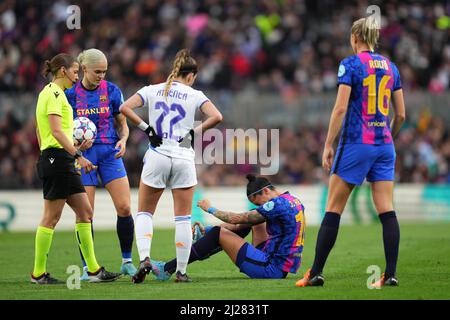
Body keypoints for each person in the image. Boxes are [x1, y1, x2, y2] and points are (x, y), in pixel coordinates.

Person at [296, 16, 405, 288]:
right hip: (384, 146)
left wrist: (328, 144)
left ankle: (316, 273)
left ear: (355, 38)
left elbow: (341, 108)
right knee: (387, 210)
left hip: (357, 143)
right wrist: (388, 134)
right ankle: (390, 274)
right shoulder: (392, 67)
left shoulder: (350, 64)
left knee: (333, 209)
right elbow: (401, 114)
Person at [119, 49, 223, 283]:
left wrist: (147, 129)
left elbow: (124, 108)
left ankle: (145, 258)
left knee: (145, 212)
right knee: (183, 218)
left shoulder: (152, 90)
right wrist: (192, 134)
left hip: (157, 155)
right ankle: (182, 272)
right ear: (192, 75)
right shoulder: (195, 94)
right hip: (184, 157)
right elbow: (217, 116)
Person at [32, 53, 121, 284]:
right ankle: (38, 274)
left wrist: (72, 148)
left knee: (85, 212)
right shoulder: (52, 93)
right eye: (73, 71)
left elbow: (42, 131)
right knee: (51, 217)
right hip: (57, 160)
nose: (75, 75)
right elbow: (56, 131)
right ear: (62, 70)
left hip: (61, 157)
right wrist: (78, 154)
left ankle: (93, 270)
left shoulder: (55, 94)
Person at [150, 174, 306, 281]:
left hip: (271, 268)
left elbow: (236, 219)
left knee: (221, 232)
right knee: (253, 220)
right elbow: (243, 222)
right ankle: (206, 235)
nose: (261, 206)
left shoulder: (276, 205)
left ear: (265, 191)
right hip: (280, 262)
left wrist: (210, 209)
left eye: (259, 203)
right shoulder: (292, 199)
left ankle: (167, 269)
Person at [65, 49, 136, 280]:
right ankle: (88, 268)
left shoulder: (113, 91)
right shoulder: (70, 95)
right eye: (97, 71)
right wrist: (74, 150)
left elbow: (122, 124)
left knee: (124, 207)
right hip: (84, 157)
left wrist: (124, 140)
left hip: (109, 153)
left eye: (104, 71)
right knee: (86, 214)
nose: (101, 76)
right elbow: (61, 129)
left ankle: (127, 261)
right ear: (84, 69)